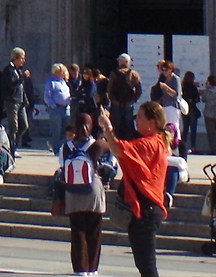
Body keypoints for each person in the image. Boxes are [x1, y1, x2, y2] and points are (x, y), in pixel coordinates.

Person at [102, 101, 173, 277]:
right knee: (144, 264)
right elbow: (119, 150)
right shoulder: (155, 142)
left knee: (147, 265)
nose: (136, 120)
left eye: (140, 117)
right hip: (146, 209)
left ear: (152, 122)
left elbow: (118, 149)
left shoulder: (151, 143)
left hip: (146, 210)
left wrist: (108, 127)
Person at [57, 113, 115, 277]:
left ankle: (80, 268)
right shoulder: (97, 144)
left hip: (73, 190)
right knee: (94, 230)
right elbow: (113, 147)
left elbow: (62, 166)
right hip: (93, 190)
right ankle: (93, 268)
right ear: (90, 126)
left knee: (77, 230)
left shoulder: (66, 146)